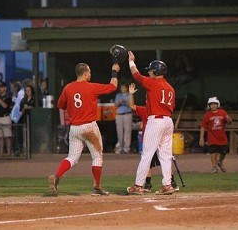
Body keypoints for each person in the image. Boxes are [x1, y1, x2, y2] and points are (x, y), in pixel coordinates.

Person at [48, 62, 120, 196]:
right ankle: (96, 187)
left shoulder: (68, 88)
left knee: (72, 158)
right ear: (85, 73)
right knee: (97, 157)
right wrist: (114, 71)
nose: (90, 75)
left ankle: (57, 177)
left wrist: (74, 109)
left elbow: (60, 105)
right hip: (89, 127)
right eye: (90, 72)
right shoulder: (91, 87)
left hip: (74, 128)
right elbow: (113, 86)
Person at [126, 51, 176, 195]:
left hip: (156, 121)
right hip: (168, 121)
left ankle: (138, 185)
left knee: (147, 154)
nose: (149, 73)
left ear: (155, 71)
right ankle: (167, 185)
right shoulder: (170, 88)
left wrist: (131, 62)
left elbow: (136, 76)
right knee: (165, 155)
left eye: (150, 70)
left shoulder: (153, 83)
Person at [199, 97, 232, 173]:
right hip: (212, 137)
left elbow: (229, 121)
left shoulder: (222, 112)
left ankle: (220, 161)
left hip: (222, 137)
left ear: (218, 105)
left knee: (224, 152)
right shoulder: (207, 114)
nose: (213, 106)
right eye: (211, 104)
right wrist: (201, 138)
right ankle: (214, 167)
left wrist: (229, 120)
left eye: (215, 104)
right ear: (209, 106)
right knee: (213, 151)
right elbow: (203, 126)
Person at [0, 82, 13, 155]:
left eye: (1, 87)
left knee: (7, 136)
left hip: (5, 117)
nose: (0, 89)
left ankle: (8, 152)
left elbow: (5, 106)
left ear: (5, 88)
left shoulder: (8, 96)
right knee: (0, 137)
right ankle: (1, 153)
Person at [114, 83, 133, 154]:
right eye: (121, 88)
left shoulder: (129, 95)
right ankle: (120, 147)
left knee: (127, 131)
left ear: (126, 88)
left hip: (127, 114)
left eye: (123, 88)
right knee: (119, 132)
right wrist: (119, 101)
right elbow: (115, 104)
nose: (122, 89)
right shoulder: (118, 95)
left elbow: (131, 105)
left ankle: (126, 148)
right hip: (119, 115)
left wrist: (125, 102)